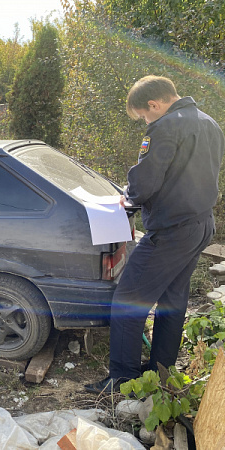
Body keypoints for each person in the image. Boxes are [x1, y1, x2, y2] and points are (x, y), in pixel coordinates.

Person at [85, 75, 225, 394]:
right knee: (172, 300)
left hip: (171, 231)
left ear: (154, 104)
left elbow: (146, 182)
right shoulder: (210, 123)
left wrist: (126, 201)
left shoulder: (165, 126)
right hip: (201, 225)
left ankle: (122, 378)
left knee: (127, 301)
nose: (145, 121)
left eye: (144, 116)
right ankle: (161, 372)